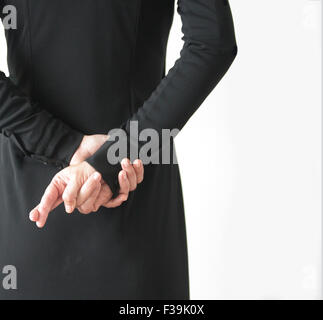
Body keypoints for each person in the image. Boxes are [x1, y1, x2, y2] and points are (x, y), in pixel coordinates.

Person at [0, 0, 237, 299]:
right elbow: (212, 42)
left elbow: (212, 43)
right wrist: (116, 154)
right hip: (135, 189)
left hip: (35, 204)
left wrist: (61, 143)